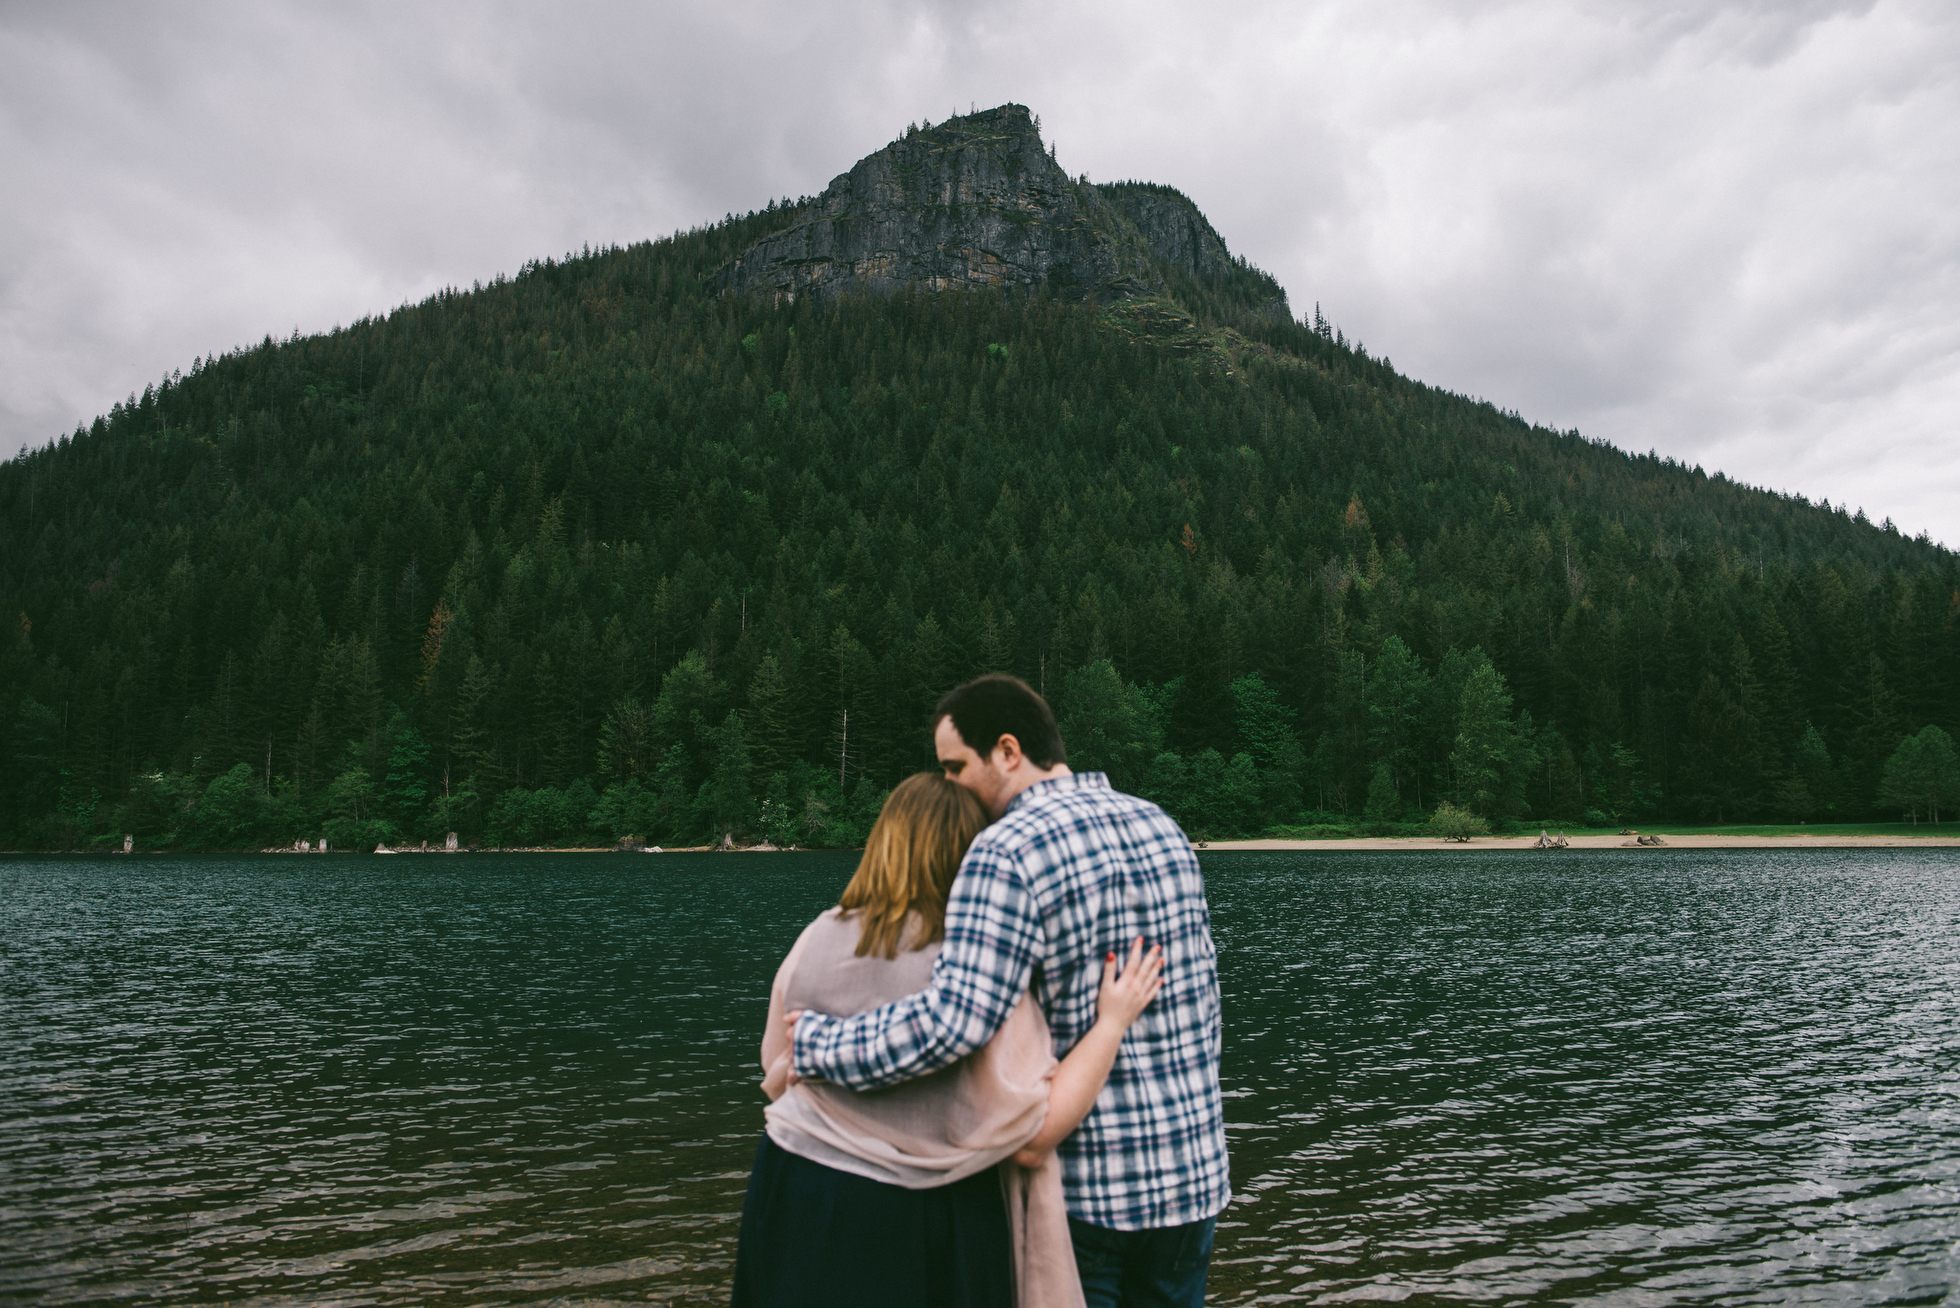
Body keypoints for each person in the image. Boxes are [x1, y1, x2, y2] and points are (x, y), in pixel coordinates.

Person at [792, 675, 1228, 1308]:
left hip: (1087, 1193)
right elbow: (1202, 1010)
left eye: (954, 767)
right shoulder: (1160, 826)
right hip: (1192, 1180)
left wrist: (818, 1044)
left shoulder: (1006, 851)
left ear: (1007, 750)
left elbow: (953, 1023)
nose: (948, 786)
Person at [734, 772, 1165, 1308]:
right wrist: (1112, 1023)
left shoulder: (819, 934)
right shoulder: (977, 965)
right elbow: (1035, 1136)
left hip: (793, 1183)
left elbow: (777, 1067)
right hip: (930, 1212)